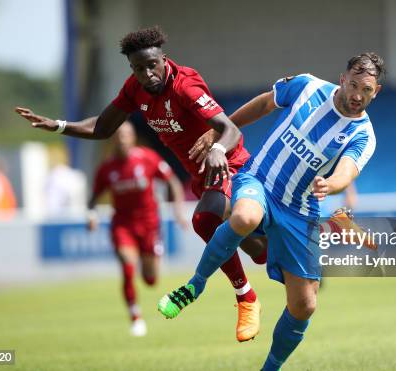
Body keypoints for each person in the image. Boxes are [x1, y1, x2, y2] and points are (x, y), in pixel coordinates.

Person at [15, 26, 264, 342]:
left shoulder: (185, 85)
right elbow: (104, 127)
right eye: (137, 68)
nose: (146, 74)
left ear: (163, 59)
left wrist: (216, 150)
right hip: (201, 175)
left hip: (229, 164)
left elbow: (229, 129)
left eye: (151, 65)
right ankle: (275, 253)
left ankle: (246, 298)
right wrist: (59, 125)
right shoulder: (135, 88)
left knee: (204, 221)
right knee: (257, 250)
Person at [158, 53, 383, 370]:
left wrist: (332, 184)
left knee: (304, 306)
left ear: (377, 92)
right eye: (355, 85)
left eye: (368, 90)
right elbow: (265, 104)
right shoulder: (307, 86)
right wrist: (222, 131)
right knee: (244, 217)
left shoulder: (364, 134)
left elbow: (347, 171)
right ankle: (195, 285)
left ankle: (270, 368)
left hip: (300, 209)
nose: (358, 95)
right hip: (259, 180)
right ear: (343, 78)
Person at [88, 121, 186, 336]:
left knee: (150, 280)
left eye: (126, 135)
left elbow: (173, 182)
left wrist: (178, 210)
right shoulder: (107, 168)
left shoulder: (148, 158)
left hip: (150, 225)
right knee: (128, 266)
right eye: (118, 135)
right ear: (113, 138)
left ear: (132, 138)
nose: (122, 139)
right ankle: (135, 317)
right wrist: (92, 215)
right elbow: (93, 197)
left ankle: (148, 272)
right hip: (123, 225)